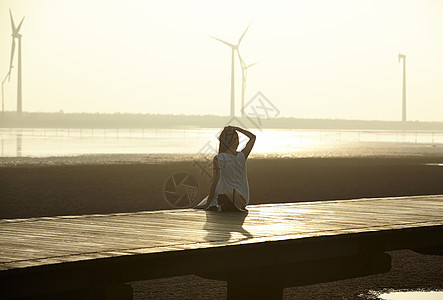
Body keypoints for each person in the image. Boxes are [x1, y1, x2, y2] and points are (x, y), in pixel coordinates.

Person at [195, 126, 256, 211]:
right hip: (238, 198)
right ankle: (224, 206)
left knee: (219, 199)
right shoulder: (225, 157)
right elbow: (215, 181)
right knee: (221, 198)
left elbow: (253, 138)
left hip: (236, 197)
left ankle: (222, 206)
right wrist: (238, 129)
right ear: (229, 141)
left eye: (237, 139)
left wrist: (236, 128)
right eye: (235, 139)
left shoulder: (238, 156)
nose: (237, 142)